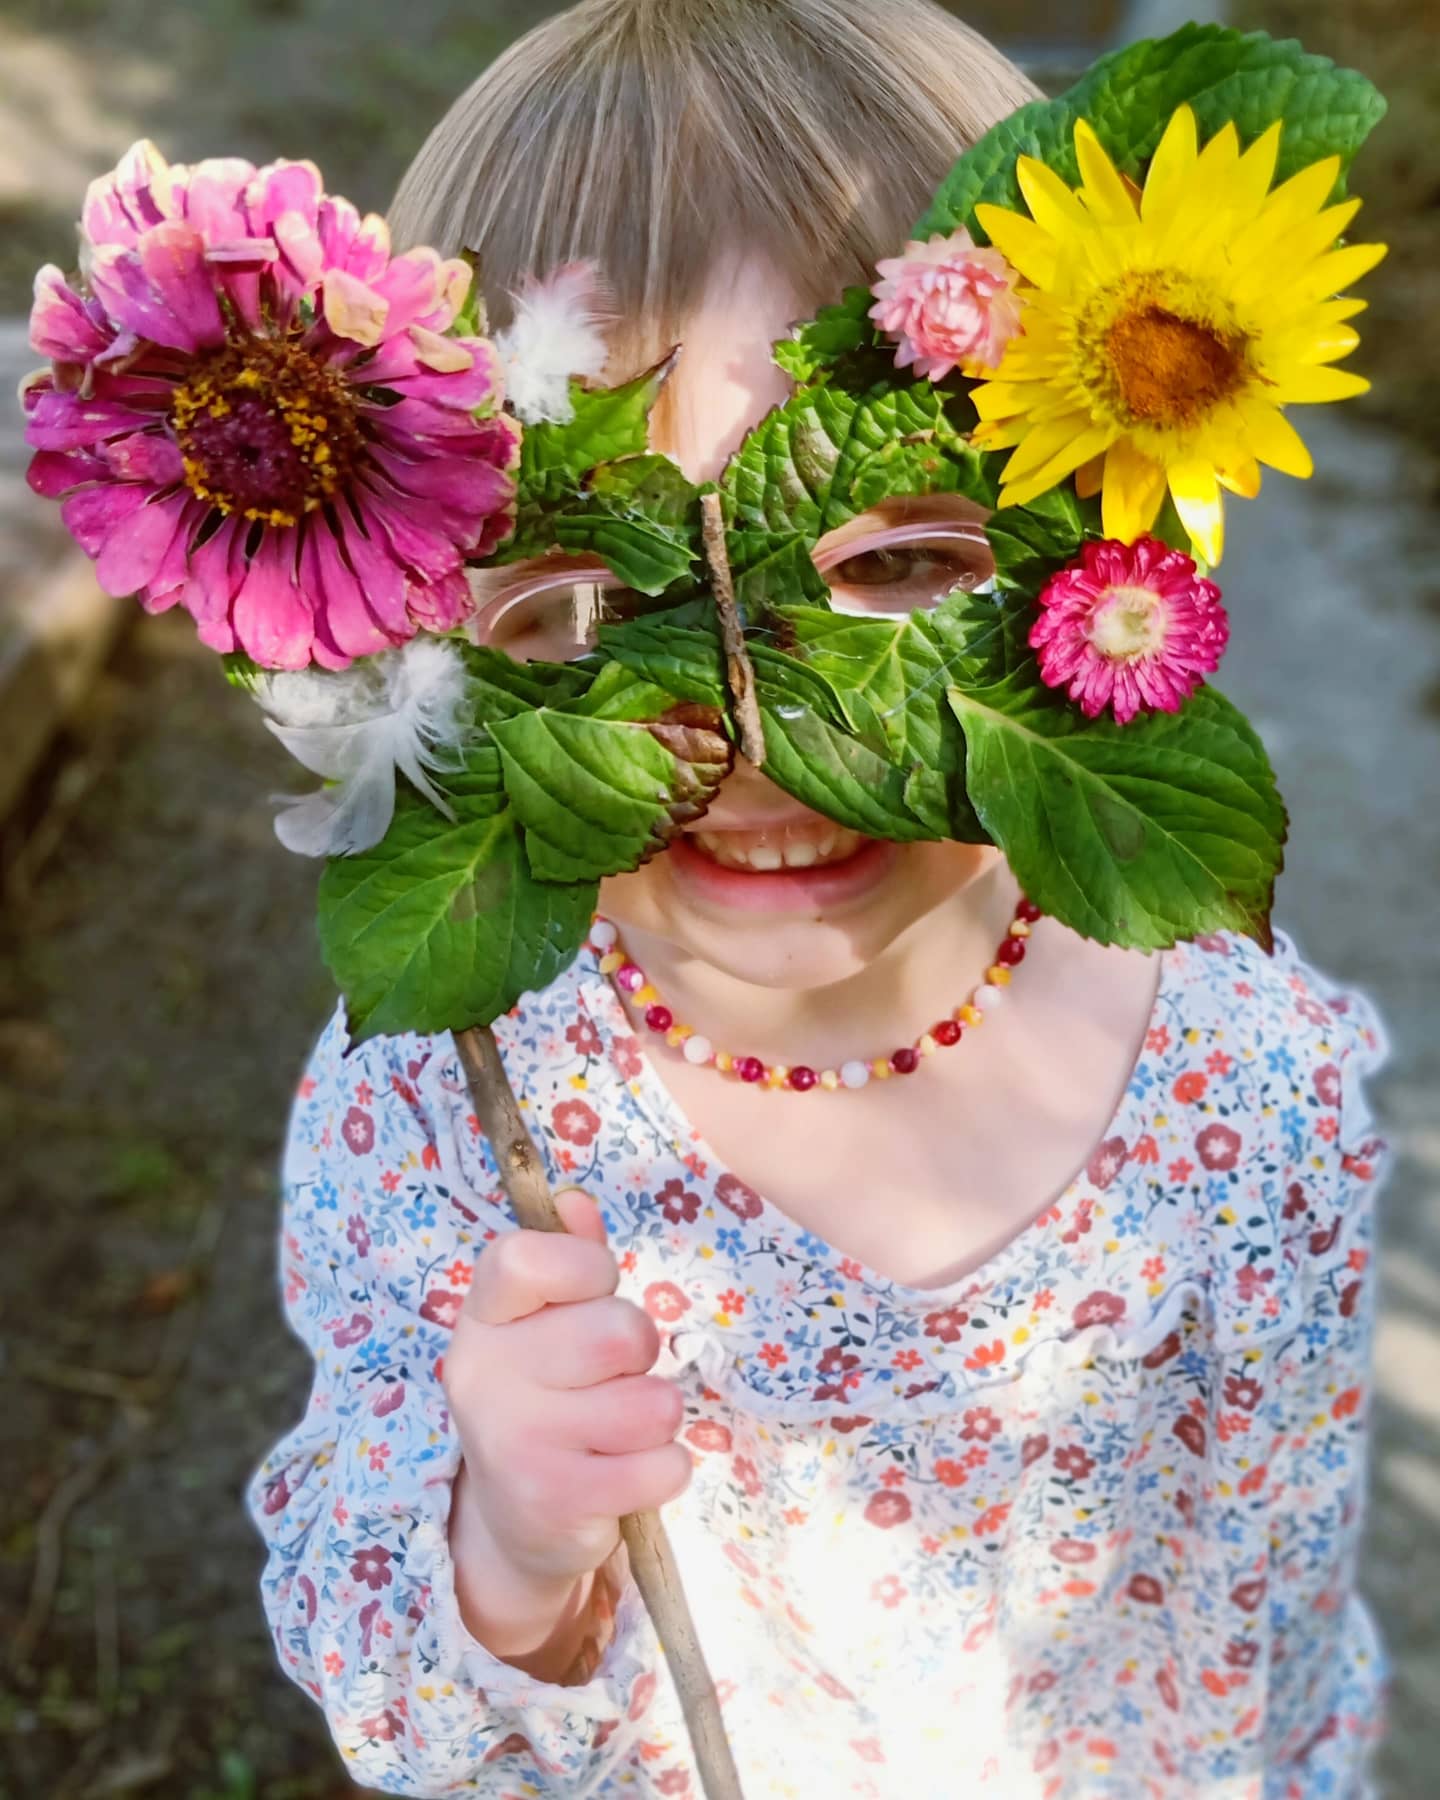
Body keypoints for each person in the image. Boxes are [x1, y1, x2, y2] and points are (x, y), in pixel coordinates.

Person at [247, 2, 1391, 1793]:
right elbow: (405, 1688)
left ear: (1106, 547)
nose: (754, 749)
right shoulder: (447, 1116)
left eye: (891, 564)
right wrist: (508, 1546)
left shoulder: (1239, 1084)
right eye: (579, 597)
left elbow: (1268, 1580)